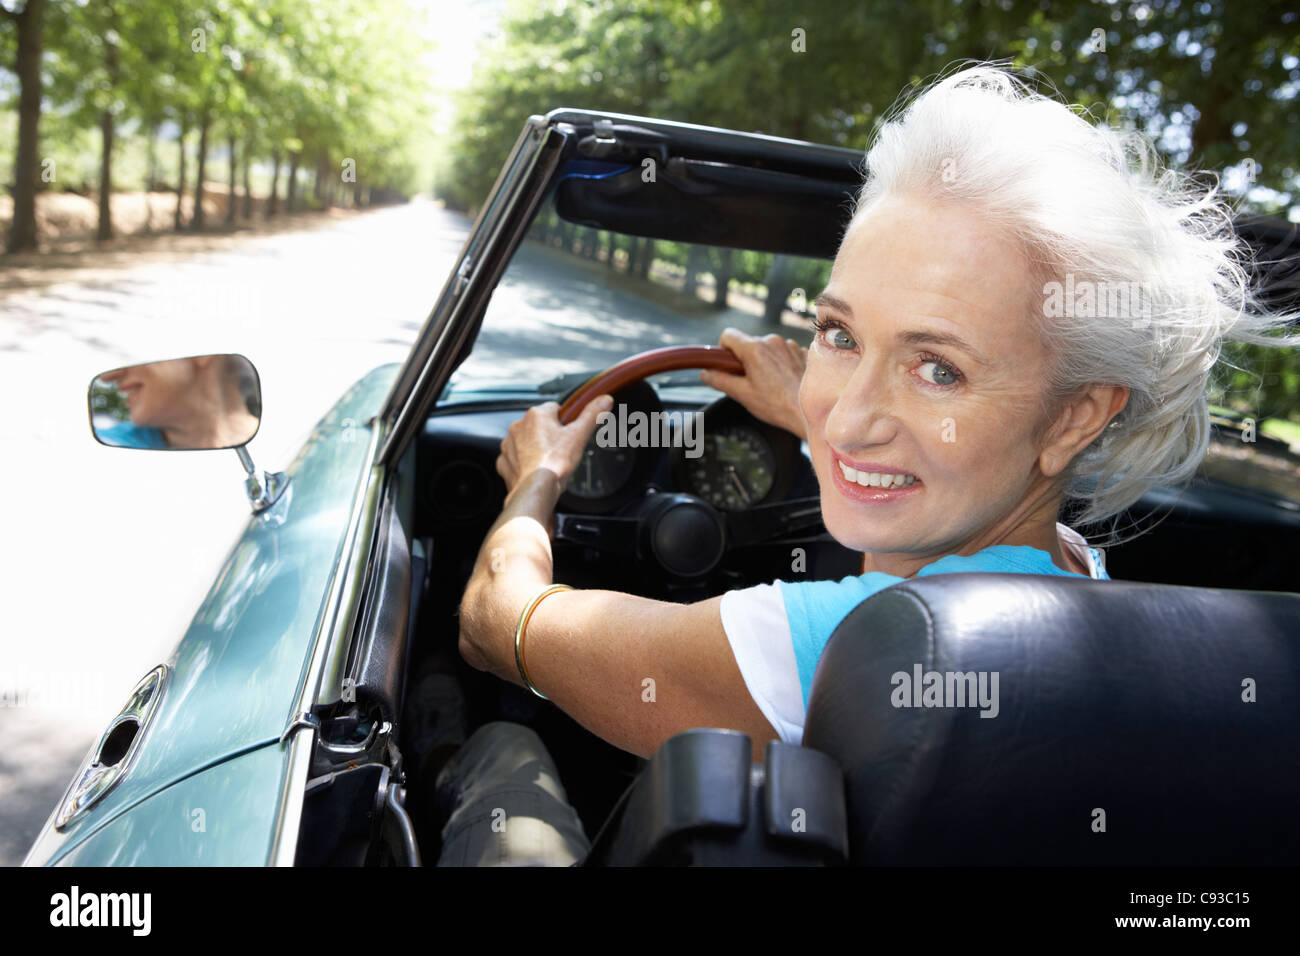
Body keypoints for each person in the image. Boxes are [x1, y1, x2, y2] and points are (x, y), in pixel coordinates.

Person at [433, 63, 1300, 865]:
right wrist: (806, 416)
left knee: (500, 749)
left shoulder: (820, 649)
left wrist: (538, 479)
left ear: (1074, 418)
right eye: (841, 335)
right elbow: (884, 464)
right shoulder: (1075, 577)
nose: (846, 417)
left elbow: (493, 620)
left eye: (938, 369)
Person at [96, 354, 260, 450]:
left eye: (129, 354)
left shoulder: (280, 445)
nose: (107, 377)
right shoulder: (111, 444)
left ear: (202, 353)